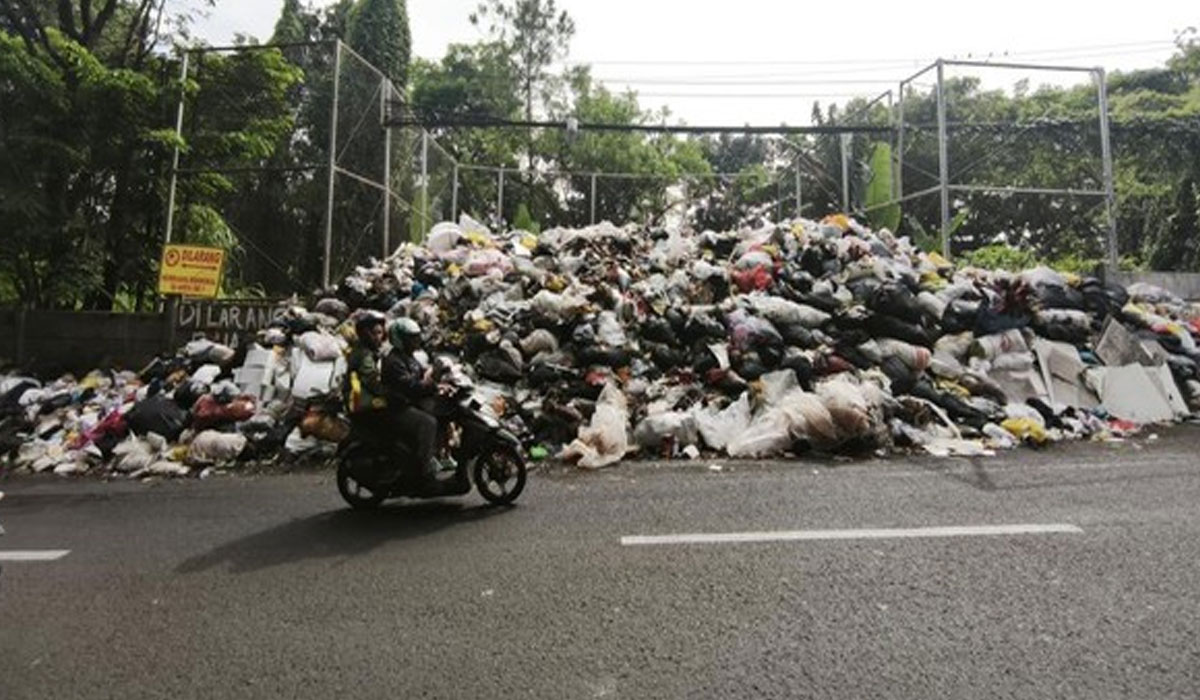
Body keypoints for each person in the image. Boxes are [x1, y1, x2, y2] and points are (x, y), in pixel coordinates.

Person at [381, 318, 443, 492]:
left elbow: (421, 374)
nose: (416, 341)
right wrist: (432, 386)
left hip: (410, 403)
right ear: (400, 338)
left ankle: (437, 456)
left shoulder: (409, 357)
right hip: (398, 408)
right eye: (411, 338)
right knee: (428, 423)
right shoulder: (394, 361)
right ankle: (424, 472)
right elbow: (410, 386)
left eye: (416, 337)